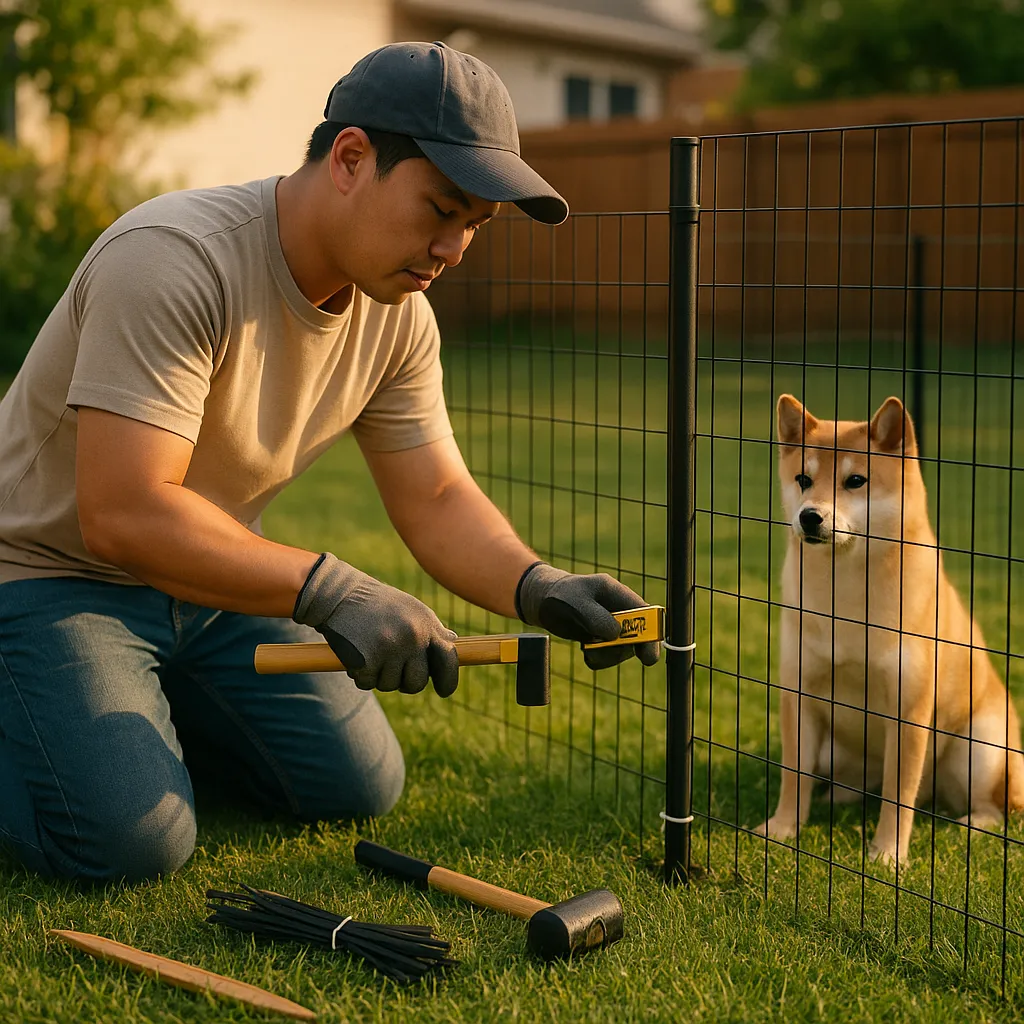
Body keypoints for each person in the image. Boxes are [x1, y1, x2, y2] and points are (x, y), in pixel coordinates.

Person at [0, 41, 660, 884]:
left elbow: (436, 493)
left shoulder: (398, 316)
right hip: (46, 575)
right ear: (350, 159)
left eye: (473, 226)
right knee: (130, 845)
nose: (453, 248)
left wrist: (538, 585)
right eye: (440, 209)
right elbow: (125, 512)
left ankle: (115, 721)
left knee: (356, 784)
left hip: (207, 583)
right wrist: (331, 589)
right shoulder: (171, 259)